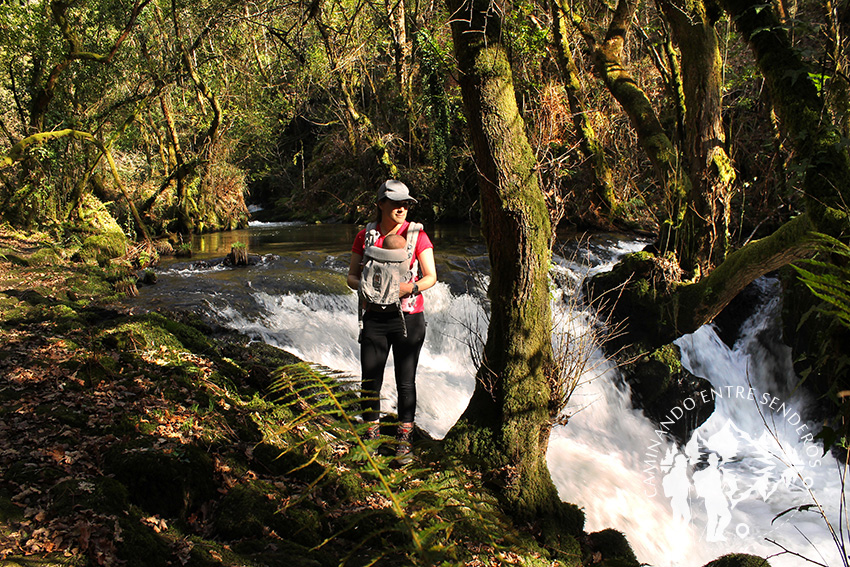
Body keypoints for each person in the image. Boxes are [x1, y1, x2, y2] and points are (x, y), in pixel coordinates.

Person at [347, 180, 437, 463]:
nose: (402, 208)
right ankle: (369, 437)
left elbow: (431, 276)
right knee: (369, 380)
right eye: (396, 203)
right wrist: (363, 286)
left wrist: (407, 289)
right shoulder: (365, 236)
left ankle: (404, 440)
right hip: (374, 318)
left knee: (406, 382)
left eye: (406, 203)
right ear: (380, 204)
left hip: (409, 320)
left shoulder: (418, 236)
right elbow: (350, 276)